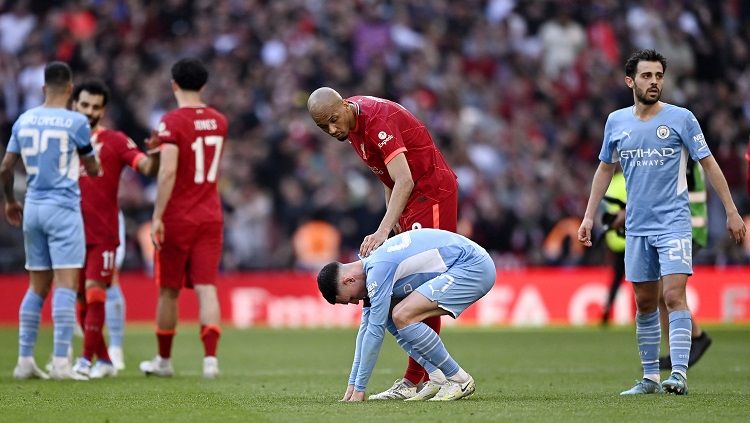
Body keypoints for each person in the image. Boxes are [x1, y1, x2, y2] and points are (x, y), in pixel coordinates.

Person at [578, 49, 746, 396]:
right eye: (646, 76)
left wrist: (731, 210)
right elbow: (605, 169)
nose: (654, 82)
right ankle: (650, 378)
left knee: (673, 295)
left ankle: (679, 375)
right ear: (630, 81)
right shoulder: (616, 122)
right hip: (637, 227)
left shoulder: (682, 118)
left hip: (674, 224)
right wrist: (588, 215)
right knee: (644, 302)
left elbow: (710, 164)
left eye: (658, 76)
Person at [307, 87, 459, 400]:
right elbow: (390, 181)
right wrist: (394, 226)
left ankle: (428, 377)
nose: (333, 129)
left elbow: (405, 179)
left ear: (345, 105)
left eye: (334, 120)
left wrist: (382, 230)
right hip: (413, 199)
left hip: (430, 193)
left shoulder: (377, 120)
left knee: (422, 284)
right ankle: (423, 376)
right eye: (324, 127)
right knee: (409, 285)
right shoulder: (352, 128)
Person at [1, 61, 100, 380]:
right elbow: (92, 166)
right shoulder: (77, 122)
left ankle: (25, 361)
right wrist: (94, 166)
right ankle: (60, 362)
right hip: (63, 209)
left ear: (43, 88)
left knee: (36, 287)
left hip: (32, 208)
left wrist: (10, 201)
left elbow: (5, 168)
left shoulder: (24, 119)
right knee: (67, 285)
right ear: (71, 89)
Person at [316, 228, 495, 402]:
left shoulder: (377, 270)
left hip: (473, 266)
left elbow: (374, 333)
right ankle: (437, 376)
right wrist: (352, 386)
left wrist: (360, 389)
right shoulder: (370, 264)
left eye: (350, 298)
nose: (355, 302)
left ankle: (459, 380)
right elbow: (365, 331)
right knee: (390, 316)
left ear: (349, 280)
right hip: (465, 263)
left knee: (402, 315)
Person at [139, 58, 227, 379]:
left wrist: (157, 215)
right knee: (207, 287)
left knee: (169, 290)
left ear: (173, 84)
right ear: (203, 86)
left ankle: (163, 361)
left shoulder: (171, 122)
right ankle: (211, 361)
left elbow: (169, 171)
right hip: (210, 214)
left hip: (178, 215)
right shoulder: (219, 120)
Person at [69, 79, 160, 378]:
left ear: (103, 110)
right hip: (68, 231)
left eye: (96, 107)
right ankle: (105, 360)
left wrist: (156, 154)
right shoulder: (61, 141)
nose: (89, 111)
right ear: (74, 105)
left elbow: (145, 167)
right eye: (84, 105)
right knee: (80, 297)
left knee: (96, 292)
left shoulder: (116, 140)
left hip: (103, 232)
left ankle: (85, 361)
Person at [600, 162, 713, 367]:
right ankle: (682, 346)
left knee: (667, 292)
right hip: (678, 224)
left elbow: (665, 190)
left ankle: (693, 339)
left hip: (682, 226)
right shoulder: (679, 150)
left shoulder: (678, 153)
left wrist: (629, 212)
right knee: (662, 292)